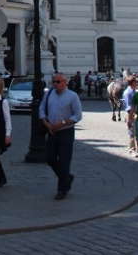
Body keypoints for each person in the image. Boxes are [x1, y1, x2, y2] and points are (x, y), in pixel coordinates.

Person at [40, 72, 82, 200]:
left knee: (64, 161)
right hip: (52, 131)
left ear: (65, 82)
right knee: (49, 158)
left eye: (58, 82)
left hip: (66, 132)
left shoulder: (72, 96)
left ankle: (62, 189)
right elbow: (41, 109)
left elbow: (77, 115)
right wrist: (46, 124)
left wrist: (62, 123)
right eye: (54, 82)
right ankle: (67, 177)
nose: (55, 84)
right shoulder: (49, 94)